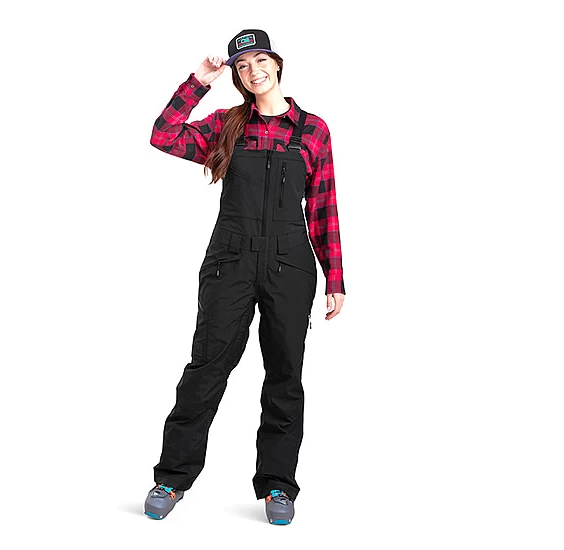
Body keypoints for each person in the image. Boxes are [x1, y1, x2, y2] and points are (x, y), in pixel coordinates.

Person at [144, 29, 346, 525]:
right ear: (236, 76)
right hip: (229, 263)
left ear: (277, 64)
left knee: (284, 376)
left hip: (290, 265)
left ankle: (278, 486)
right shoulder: (227, 125)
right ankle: (171, 478)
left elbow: (323, 208)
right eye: (242, 66)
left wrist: (335, 278)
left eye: (260, 61)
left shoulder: (313, 131)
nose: (253, 71)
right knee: (206, 369)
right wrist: (198, 81)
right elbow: (163, 135)